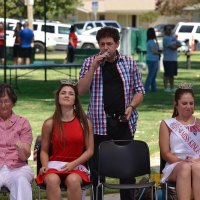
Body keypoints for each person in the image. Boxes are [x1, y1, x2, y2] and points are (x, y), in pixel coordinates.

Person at [78, 26, 145, 200]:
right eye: (102, 44)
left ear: (117, 44)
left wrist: (131, 106)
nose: (105, 48)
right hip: (98, 122)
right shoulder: (90, 62)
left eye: (109, 44)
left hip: (123, 121)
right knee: (97, 170)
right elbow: (81, 91)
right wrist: (93, 67)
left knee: (126, 169)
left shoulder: (129, 63)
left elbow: (139, 91)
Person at [36, 80, 94, 200]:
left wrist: (73, 164)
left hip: (76, 165)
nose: (67, 95)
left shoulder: (84, 123)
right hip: (54, 165)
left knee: (73, 180)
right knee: (52, 179)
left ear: (75, 99)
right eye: (63, 93)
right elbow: (44, 150)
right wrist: (45, 166)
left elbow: (90, 150)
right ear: (58, 98)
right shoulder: (49, 123)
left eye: (71, 93)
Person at [159, 83, 200, 200]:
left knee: (197, 168)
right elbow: (165, 154)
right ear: (176, 104)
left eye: (191, 103)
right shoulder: (167, 124)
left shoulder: (199, 123)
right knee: (185, 168)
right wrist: (183, 162)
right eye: (184, 103)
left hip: (198, 163)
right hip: (175, 165)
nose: (188, 106)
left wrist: (195, 161)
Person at [0, 83, 34, 200]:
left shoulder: (22, 123)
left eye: (6, 101)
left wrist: (21, 150)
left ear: (13, 102)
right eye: (0, 101)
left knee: (21, 180)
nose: (3, 105)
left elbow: (25, 156)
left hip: (17, 168)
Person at [162, 25, 181, 92]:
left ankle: (172, 87)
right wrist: (176, 45)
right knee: (167, 74)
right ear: (165, 31)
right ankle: (166, 88)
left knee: (172, 74)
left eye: (170, 29)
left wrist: (176, 45)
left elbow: (179, 43)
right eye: (168, 29)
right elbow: (172, 47)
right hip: (167, 59)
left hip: (174, 58)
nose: (170, 31)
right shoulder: (165, 38)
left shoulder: (173, 37)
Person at [144, 27, 160, 93]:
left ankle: (154, 89)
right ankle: (145, 89)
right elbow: (154, 51)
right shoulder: (151, 42)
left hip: (152, 59)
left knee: (153, 75)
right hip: (152, 60)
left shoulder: (151, 41)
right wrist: (160, 52)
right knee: (151, 75)